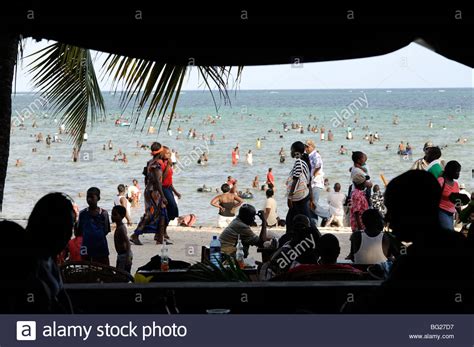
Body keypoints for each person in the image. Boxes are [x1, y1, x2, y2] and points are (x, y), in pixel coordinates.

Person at [356, 170, 473, 313]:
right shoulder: (460, 246)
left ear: (411, 211)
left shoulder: (411, 264)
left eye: (393, 210)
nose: (388, 219)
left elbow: (380, 302)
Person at [26, 193, 76, 313]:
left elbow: (61, 294)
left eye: (72, 227)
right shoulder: (30, 265)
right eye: (65, 228)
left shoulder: (49, 257)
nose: (69, 234)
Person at [132, 142, 168, 245]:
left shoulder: (150, 162)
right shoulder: (157, 164)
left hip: (149, 190)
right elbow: (157, 181)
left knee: (160, 212)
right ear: (160, 152)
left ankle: (160, 238)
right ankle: (135, 234)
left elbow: (146, 178)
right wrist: (163, 195)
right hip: (155, 192)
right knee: (150, 213)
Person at [77, 187, 111, 265]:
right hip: (86, 247)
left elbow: (106, 230)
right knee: (87, 268)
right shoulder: (82, 213)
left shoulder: (103, 213)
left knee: (104, 268)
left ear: (98, 198)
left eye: (92, 197)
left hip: (101, 247)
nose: (89, 199)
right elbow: (79, 230)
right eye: (87, 197)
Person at [285, 141, 314, 233]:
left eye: (291, 150)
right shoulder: (305, 161)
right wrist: (311, 198)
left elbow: (296, 180)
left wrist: (290, 197)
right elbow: (309, 182)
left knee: (292, 220)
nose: (290, 152)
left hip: (299, 197)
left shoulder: (299, 162)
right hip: (304, 195)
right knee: (294, 218)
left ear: (296, 151)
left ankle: (316, 236)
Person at [158, 146, 181, 244]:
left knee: (172, 211)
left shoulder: (167, 163)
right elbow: (162, 178)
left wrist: (175, 192)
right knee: (172, 208)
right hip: (162, 188)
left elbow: (169, 180)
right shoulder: (161, 164)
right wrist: (168, 166)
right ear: (162, 154)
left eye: (169, 153)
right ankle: (162, 232)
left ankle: (164, 231)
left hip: (168, 188)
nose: (169, 154)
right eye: (167, 153)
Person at [438, 161, 461, 231]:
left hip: (451, 214)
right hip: (441, 212)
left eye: (459, 171)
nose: (459, 174)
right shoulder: (441, 181)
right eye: (457, 171)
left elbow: (457, 201)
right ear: (451, 171)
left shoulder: (456, 184)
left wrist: (461, 214)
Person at [112, 205, 133, 273]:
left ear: (122, 216)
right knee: (120, 273)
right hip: (121, 255)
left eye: (115, 214)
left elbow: (127, 242)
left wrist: (128, 257)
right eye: (112, 214)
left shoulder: (121, 228)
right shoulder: (119, 227)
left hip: (124, 255)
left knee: (122, 274)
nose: (112, 216)